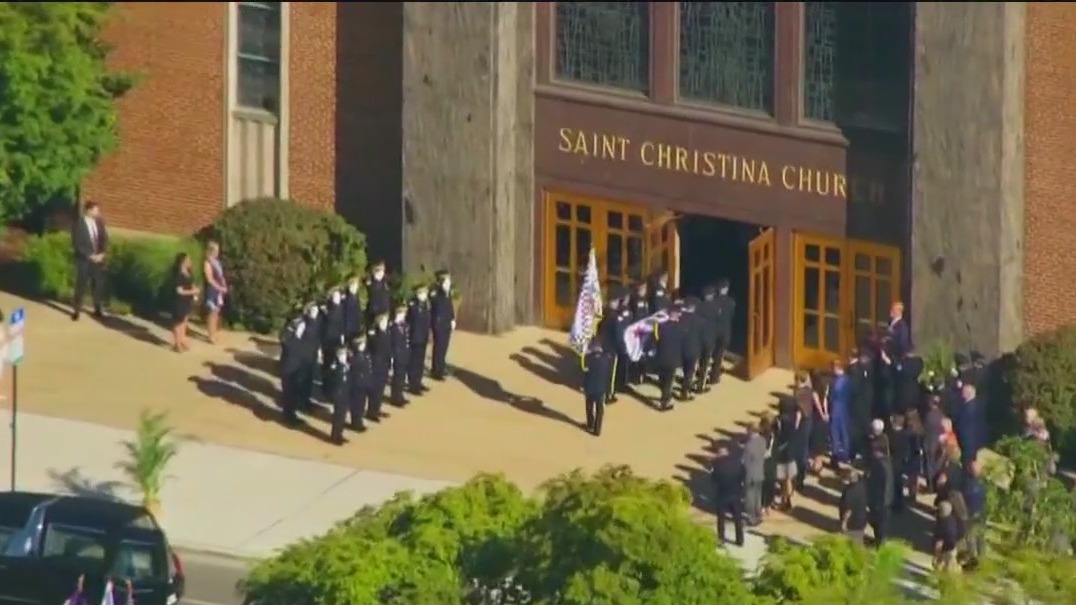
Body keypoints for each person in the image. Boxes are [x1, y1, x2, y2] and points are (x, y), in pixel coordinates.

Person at [70, 201, 110, 321]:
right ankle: (76, 310)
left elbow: (104, 238)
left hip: (98, 259)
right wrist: (89, 255)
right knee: (81, 285)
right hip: (84, 260)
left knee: (98, 285)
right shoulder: (79, 224)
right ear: (88, 210)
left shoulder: (99, 223)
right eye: (95, 210)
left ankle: (98, 308)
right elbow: (77, 243)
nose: (97, 212)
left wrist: (102, 254)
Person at [279, 307, 317, 424]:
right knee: (289, 395)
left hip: (294, 368)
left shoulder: (296, 338)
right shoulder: (291, 339)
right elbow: (287, 344)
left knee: (293, 394)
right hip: (290, 369)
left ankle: (291, 415)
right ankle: (288, 418)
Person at [710, 446, 746, 547]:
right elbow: (743, 474)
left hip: (723, 494)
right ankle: (740, 540)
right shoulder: (737, 462)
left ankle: (721, 539)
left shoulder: (717, 465)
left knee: (721, 518)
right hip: (736, 493)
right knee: (738, 518)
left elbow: (713, 480)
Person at [792, 372, 821, 490]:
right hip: (809, 421)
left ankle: (799, 477)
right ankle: (802, 476)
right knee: (805, 448)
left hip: (802, 422)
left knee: (800, 451)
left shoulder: (797, 393)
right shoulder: (810, 390)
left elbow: (798, 413)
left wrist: (795, 426)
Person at [652, 308, 684, 411]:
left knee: (662, 379)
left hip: (661, 358)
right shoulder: (681, 328)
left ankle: (665, 397)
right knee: (668, 382)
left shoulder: (661, 326)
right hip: (672, 359)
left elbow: (656, 339)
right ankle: (664, 402)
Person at [774, 394, 800, 511]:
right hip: (792, 449)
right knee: (788, 477)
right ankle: (787, 496)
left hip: (783, 453)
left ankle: (786, 500)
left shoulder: (780, 421)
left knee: (784, 478)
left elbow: (777, 436)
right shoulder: (794, 418)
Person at [708, 279, 736, 386]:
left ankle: (708, 371)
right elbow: (732, 315)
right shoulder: (731, 302)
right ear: (726, 289)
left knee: (713, 353)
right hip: (724, 331)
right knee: (719, 354)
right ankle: (714, 376)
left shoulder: (713, 302)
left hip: (714, 331)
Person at [581, 339, 612, 436]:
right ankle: (597, 430)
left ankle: (590, 424)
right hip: (601, 388)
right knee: (600, 410)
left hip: (589, 387)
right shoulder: (606, 359)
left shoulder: (587, 358)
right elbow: (609, 376)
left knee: (589, 407)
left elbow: (583, 371)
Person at [169, 253, 199, 352]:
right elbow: (179, 291)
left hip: (187, 300)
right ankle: (177, 343)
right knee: (178, 322)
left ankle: (182, 340)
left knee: (184, 321)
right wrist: (192, 292)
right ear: (183, 262)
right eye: (188, 260)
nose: (190, 262)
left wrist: (194, 291)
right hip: (179, 301)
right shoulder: (178, 274)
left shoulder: (188, 272)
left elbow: (191, 284)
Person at [405, 284, 432, 395]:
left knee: (420, 361)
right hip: (415, 337)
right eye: (422, 293)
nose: (424, 295)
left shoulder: (426, 304)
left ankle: (418, 381)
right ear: (417, 293)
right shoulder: (413, 305)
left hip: (423, 336)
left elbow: (427, 321)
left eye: (425, 293)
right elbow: (409, 321)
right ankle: (413, 385)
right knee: (414, 362)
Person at [430, 269, 455, 380]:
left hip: (446, 323)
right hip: (439, 323)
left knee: (444, 346)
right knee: (439, 347)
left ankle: (442, 366)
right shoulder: (436, 291)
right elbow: (436, 306)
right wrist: (442, 290)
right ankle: (436, 370)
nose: (448, 281)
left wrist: (452, 318)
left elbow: (449, 305)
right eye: (446, 279)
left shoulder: (447, 291)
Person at [320, 288, 346, 395]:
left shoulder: (341, 308)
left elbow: (341, 324)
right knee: (327, 364)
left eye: (338, 296)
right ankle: (326, 388)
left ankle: (332, 387)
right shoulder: (328, 309)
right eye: (335, 296)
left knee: (335, 364)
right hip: (328, 340)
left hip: (336, 339)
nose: (337, 298)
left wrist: (342, 336)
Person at [367, 312, 392, 421]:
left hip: (384, 364)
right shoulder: (374, 336)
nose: (385, 324)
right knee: (375, 389)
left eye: (386, 322)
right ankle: (371, 412)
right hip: (376, 365)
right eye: (383, 322)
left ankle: (377, 409)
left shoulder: (387, 333)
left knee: (381, 389)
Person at [867, 446, 894, 545]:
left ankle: (880, 543)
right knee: (880, 524)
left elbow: (878, 485)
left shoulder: (879, 465)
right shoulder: (887, 463)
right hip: (885, 500)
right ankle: (879, 541)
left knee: (879, 524)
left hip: (880, 502)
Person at [742, 422, 768, 525]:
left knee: (750, 498)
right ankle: (759, 515)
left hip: (751, 475)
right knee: (758, 496)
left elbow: (745, 462)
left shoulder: (749, 445)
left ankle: (752, 518)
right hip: (760, 472)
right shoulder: (763, 441)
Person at [962, 459, 987, 567]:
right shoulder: (982, 485)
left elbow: (965, 498)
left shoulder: (967, 484)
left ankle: (973, 559)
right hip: (980, 513)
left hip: (971, 513)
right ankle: (982, 556)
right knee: (980, 536)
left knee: (970, 537)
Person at [679, 298, 704, 400]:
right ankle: (685, 392)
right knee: (690, 372)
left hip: (683, 349)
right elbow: (701, 337)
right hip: (694, 349)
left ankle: (685, 386)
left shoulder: (680, 318)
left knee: (685, 370)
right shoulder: (699, 320)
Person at [202, 241, 228, 344]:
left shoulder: (217, 262)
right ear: (211, 250)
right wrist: (219, 288)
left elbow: (221, 275)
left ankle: (214, 332)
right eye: (216, 250)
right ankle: (210, 335)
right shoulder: (207, 262)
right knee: (211, 312)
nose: (217, 252)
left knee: (216, 312)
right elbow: (209, 279)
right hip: (212, 289)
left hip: (219, 289)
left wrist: (224, 285)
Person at [828, 360, 852, 466]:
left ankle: (835, 456)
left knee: (835, 433)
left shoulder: (837, 381)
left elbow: (834, 394)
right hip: (846, 407)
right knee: (844, 432)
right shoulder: (848, 379)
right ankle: (846, 454)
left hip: (836, 408)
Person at [954, 384, 986, 463]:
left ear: (968, 393)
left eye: (963, 392)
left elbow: (963, 426)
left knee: (968, 465)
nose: (962, 393)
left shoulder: (969, 408)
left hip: (969, 443)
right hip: (972, 443)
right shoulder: (976, 405)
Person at [346, 334, 372, 433]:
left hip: (362, 384)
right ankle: (355, 423)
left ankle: (358, 421)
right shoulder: (355, 357)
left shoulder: (363, 355)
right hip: (356, 385)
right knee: (356, 405)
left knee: (361, 404)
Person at [838, 466, 869, 544]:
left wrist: (844, 523)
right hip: (861, 520)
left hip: (852, 523)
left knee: (850, 544)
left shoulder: (849, 492)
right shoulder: (862, 486)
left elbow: (848, 510)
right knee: (858, 542)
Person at [328, 345, 352, 446]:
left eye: (344, 355)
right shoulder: (337, 367)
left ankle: (339, 434)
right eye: (342, 355)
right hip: (339, 394)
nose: (344, 357)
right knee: (338, 416)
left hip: (345, 394)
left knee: (342, 416)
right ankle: (335, 436)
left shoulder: (345, 365)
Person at [388, 304, 411, 406]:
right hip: (397, 354)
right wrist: (392, 357)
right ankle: (395, 397)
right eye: (402, 314)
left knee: (401, 376)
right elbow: (391, 343)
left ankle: (400, 395)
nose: (404, 316)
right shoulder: (393, 327)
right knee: (397, 377)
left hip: (404, 354)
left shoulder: (404, 325)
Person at [627, 281, 649, 385]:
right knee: (636, 353)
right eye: (643, 288)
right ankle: (634, 376)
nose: (645, 290)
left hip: (644, 329)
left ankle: (641, 374)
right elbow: (636, 315)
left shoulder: (644, 299)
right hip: (637, 330)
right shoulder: (635, 299)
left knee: (643, 354)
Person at [932, 500, 963, 573]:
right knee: (949, 568)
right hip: (953, 548)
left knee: (940, 567)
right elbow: (961, 532)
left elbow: (939, 543)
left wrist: (936, 556)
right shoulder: (953, 520)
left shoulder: (941, 524)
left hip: (945, 550)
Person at [342, 275, 363, 341]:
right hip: (349, 329)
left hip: (356, 327)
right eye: (353, 285)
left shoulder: (356, 297)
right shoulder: (346, 298)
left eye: (356, 285)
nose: (355, 287)